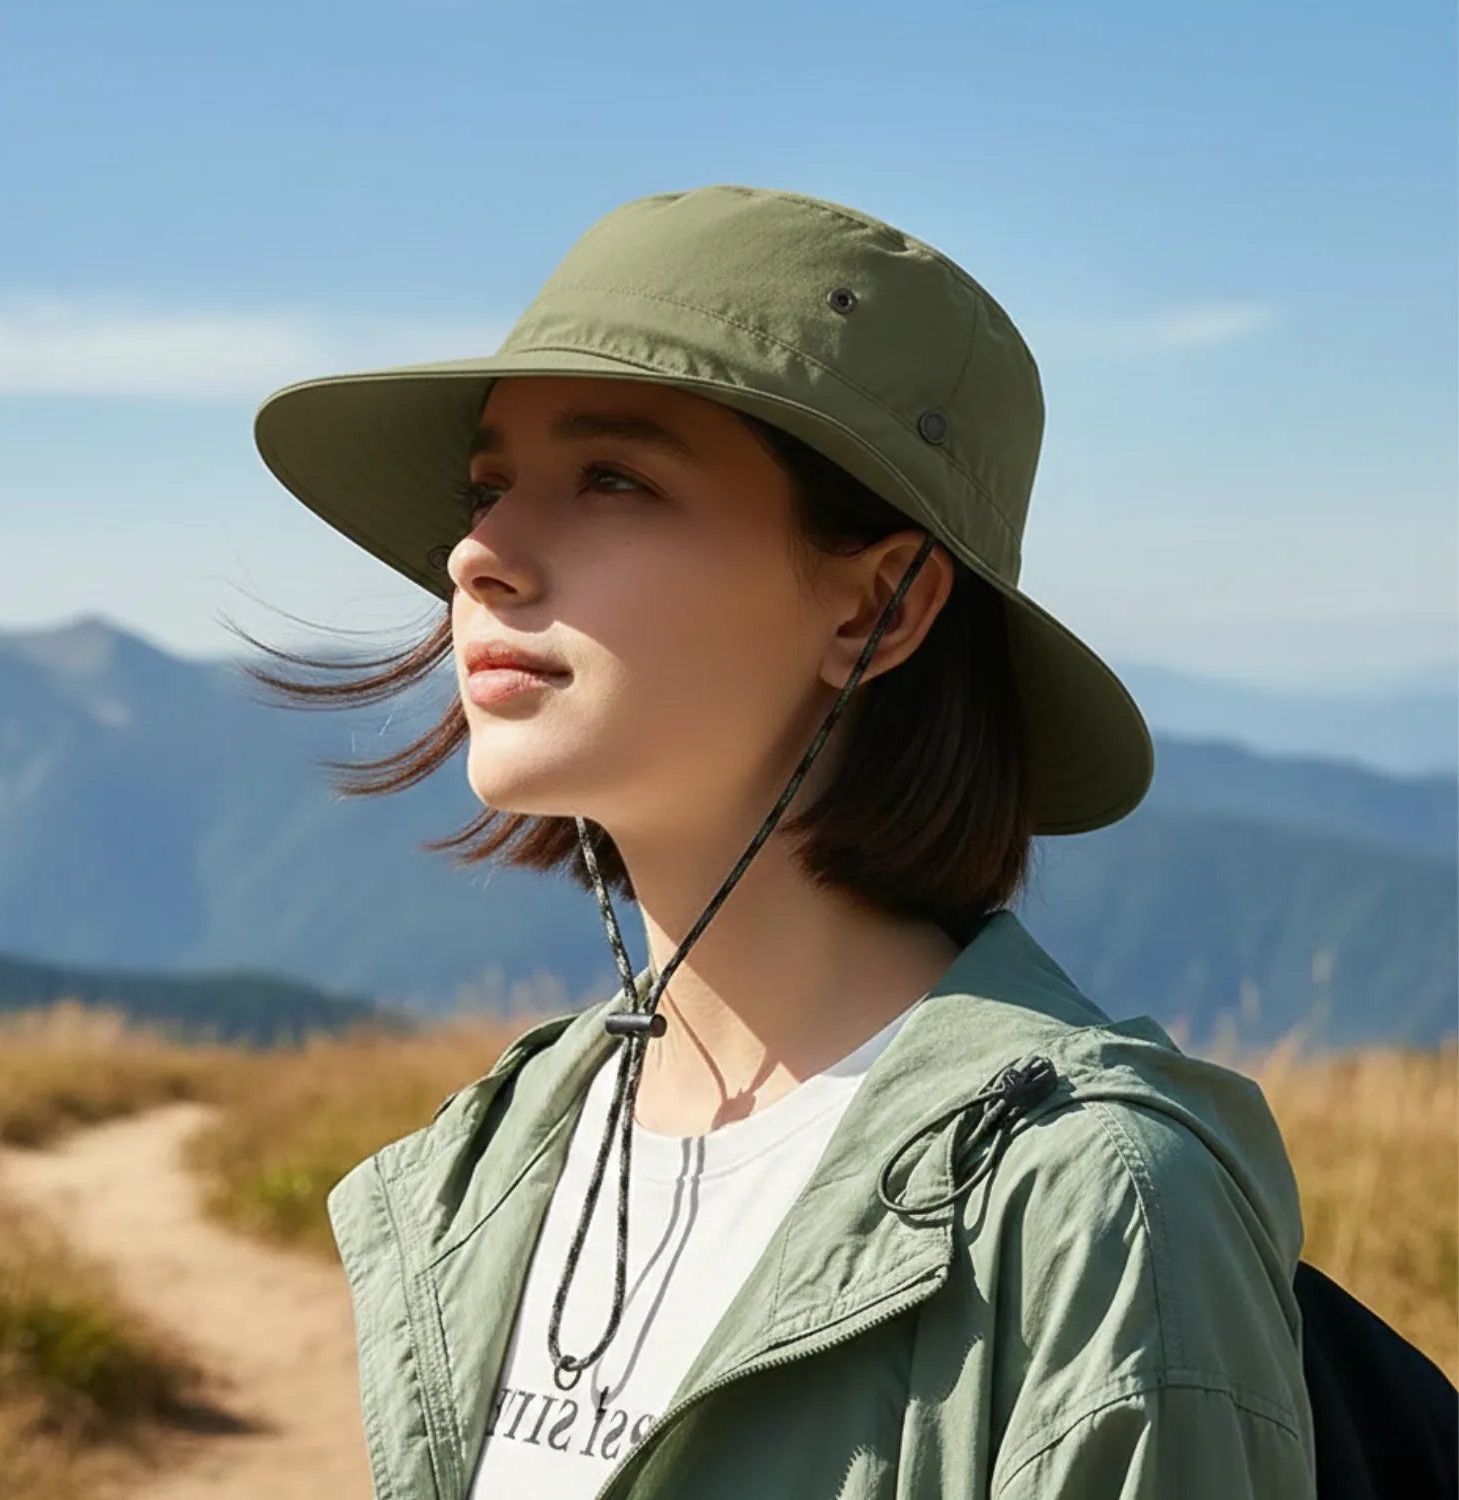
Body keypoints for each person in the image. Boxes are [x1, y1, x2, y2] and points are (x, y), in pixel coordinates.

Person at [248, 185, 1317, 1498]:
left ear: (881, 607)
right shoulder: (497, 1151)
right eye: (486, 486)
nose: (480, 554)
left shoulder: (1091, 1207)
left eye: (614, 479)